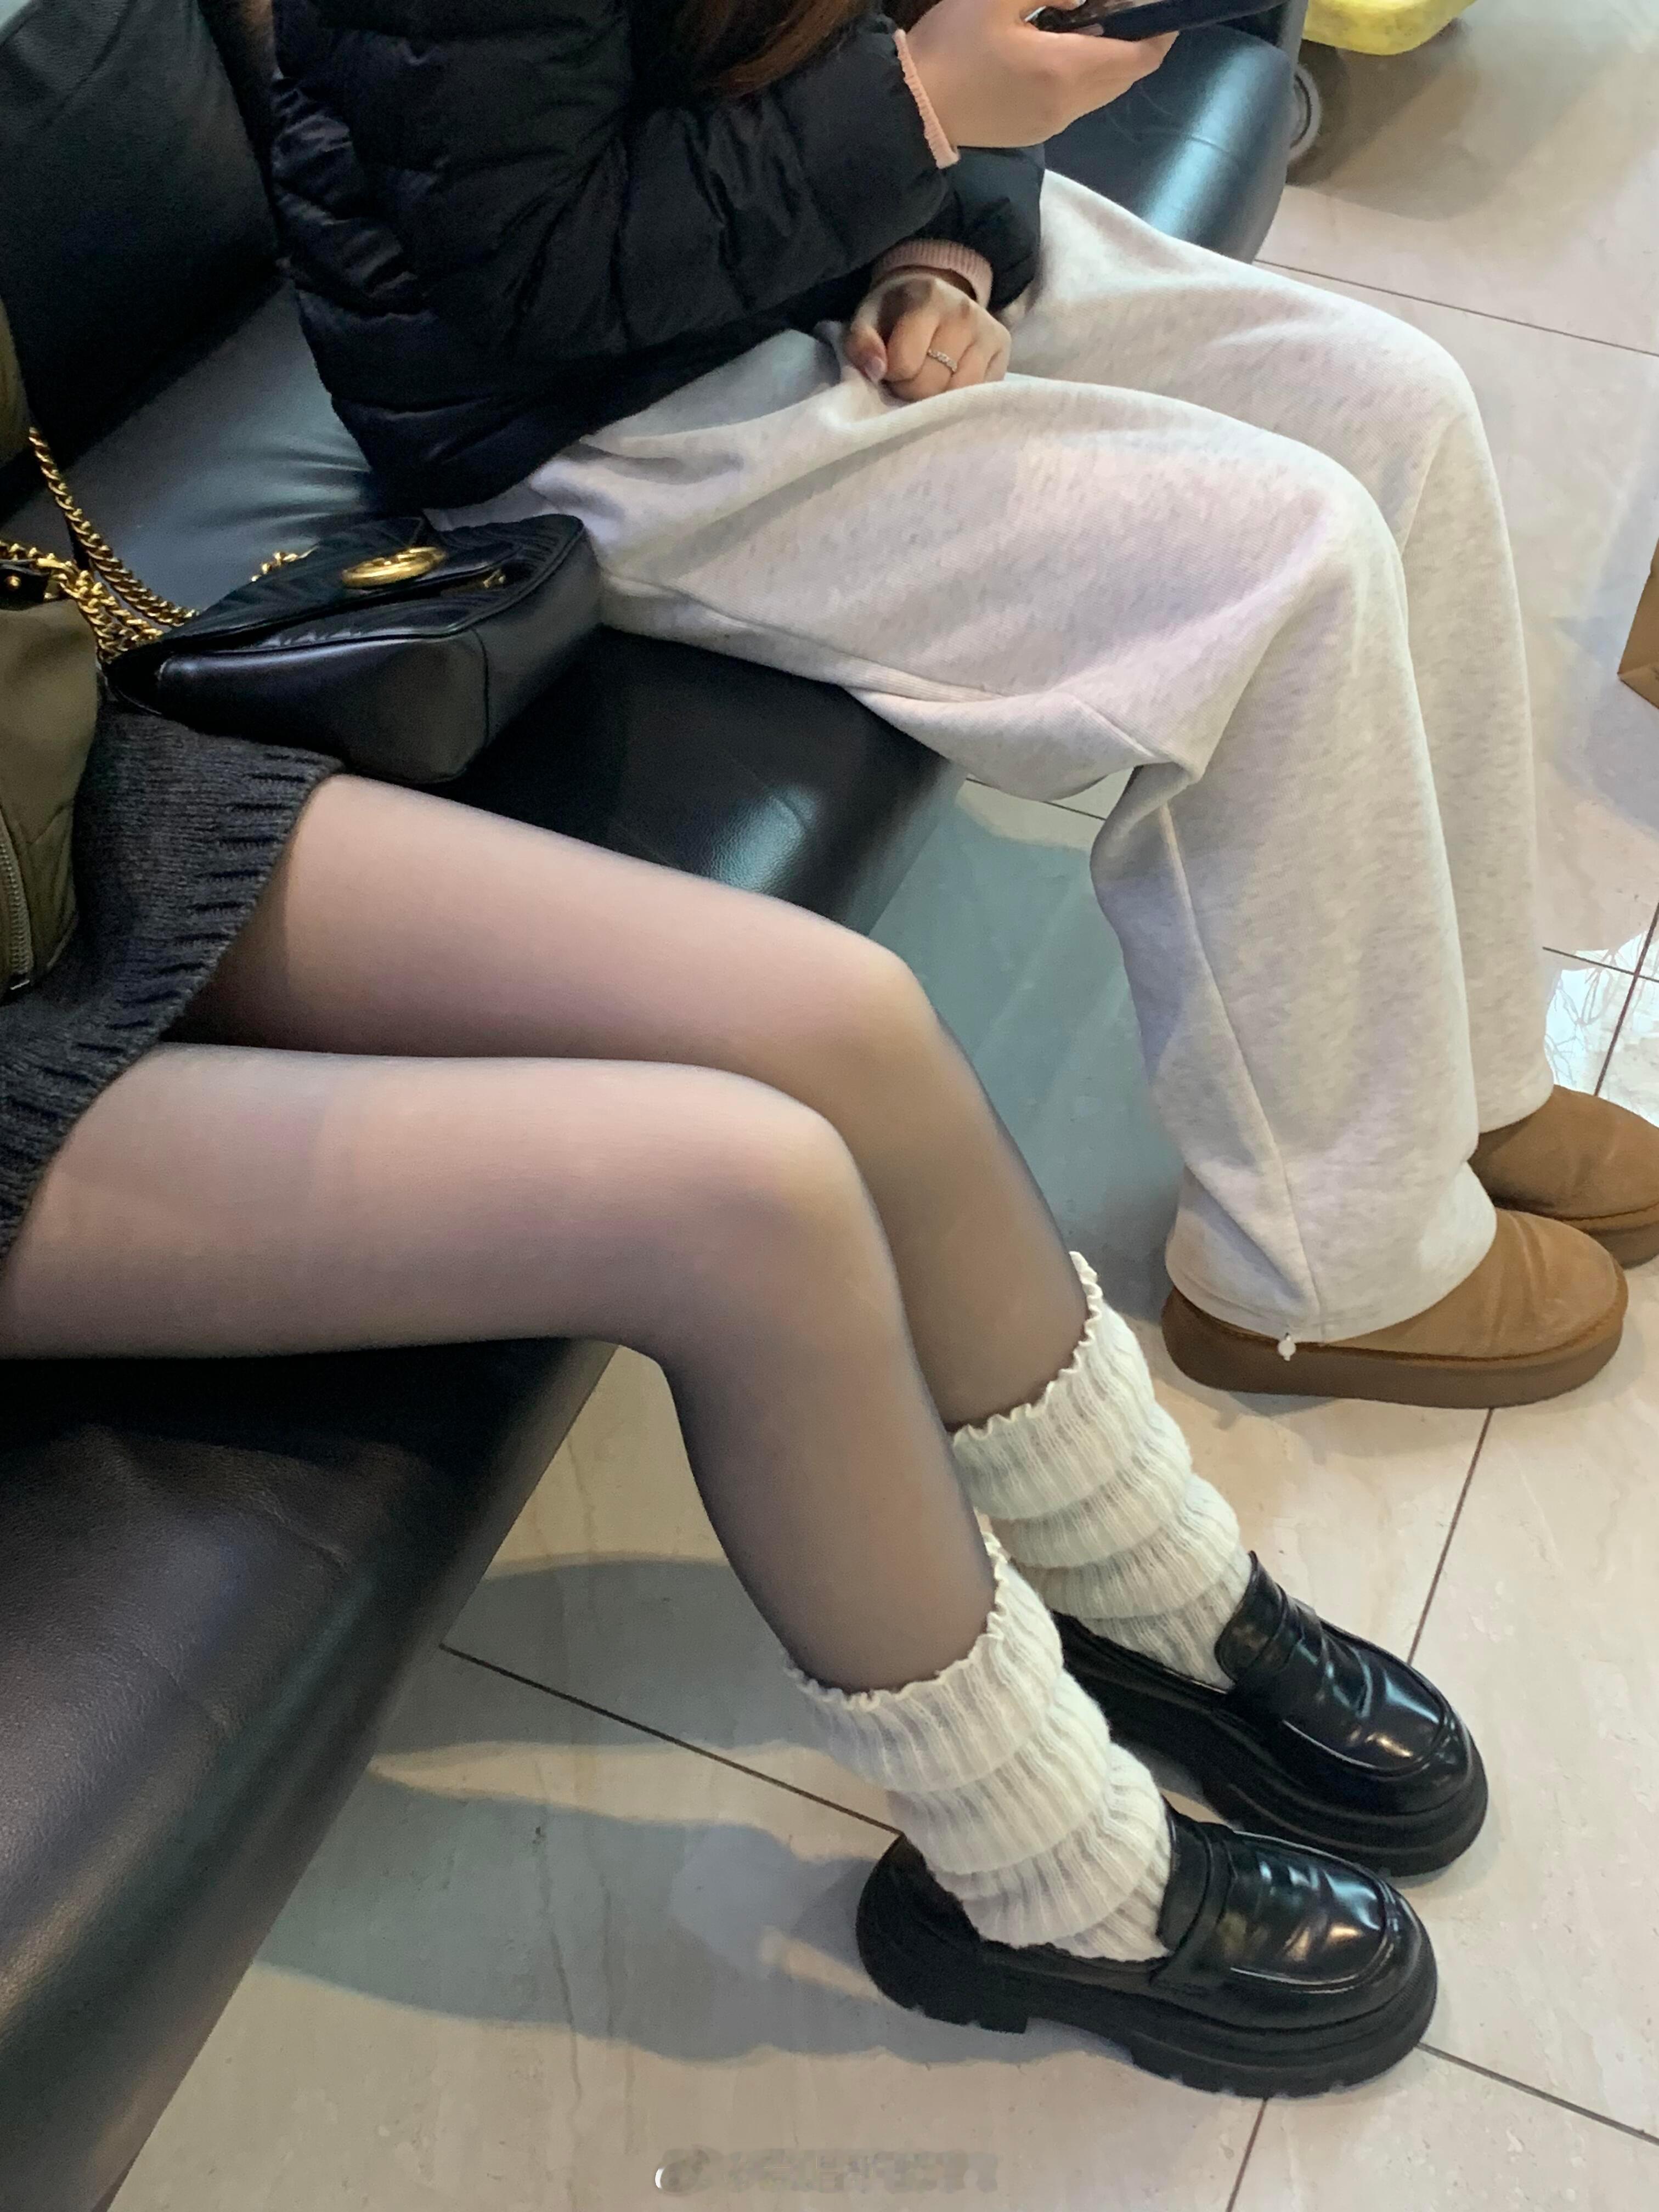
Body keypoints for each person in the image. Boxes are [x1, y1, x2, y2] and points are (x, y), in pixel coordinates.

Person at [2, 701, 1470, 2094]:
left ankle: (1140, 1591)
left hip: (54, 795)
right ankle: (1039, 1884)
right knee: (750, 1211)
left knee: (847, 1016)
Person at [269, 0, 1659, 1411]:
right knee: (1286, 571)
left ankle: (1466, 1081)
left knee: (1396, 404)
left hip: (821, 237)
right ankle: (1326, 1265)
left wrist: (944, 244)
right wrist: (917, 108)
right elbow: (531, 267)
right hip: (581, 408)